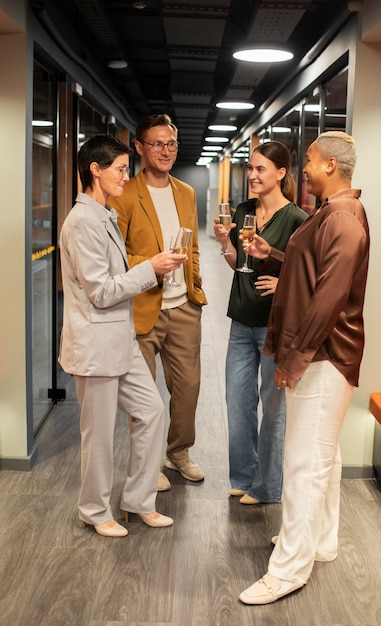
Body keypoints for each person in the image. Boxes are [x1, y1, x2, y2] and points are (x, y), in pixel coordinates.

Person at [238, 130, 370, 603]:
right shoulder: (332, 215)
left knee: (302, 465)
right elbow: (309, 268)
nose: (304, 170)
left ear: (330, 166)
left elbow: (328, 298)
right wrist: (271, 254)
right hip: (323, 354)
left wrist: (292, 361)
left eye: (310, 161)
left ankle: (289, 569)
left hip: (322, 356)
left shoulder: (344, 219)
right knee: (324, 460)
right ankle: (319, 541)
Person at [59, 134, 187, 536]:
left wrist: (151, 267)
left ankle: (138, 500)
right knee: (97, 436)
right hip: (96, 345)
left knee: (151, 411)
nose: (126, 175)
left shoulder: (105, 214)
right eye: (119, 168)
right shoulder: (81, 222)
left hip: (121, 340)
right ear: (94, 170)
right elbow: (100, 292)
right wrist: (152, 268)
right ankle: (95, 512)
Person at [110, 114, 207, 492]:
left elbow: (193, 247)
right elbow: (115, 256)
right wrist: (152, 266)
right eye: (156, 144)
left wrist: (195, 288)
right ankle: (148, 464)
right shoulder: (124, 195)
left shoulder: (186, 192)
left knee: (188, 388)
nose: (165, 151)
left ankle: (178, 453)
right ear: (139, 147)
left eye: (171, 143)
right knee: (144, 393)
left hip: (183, 306)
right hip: (143, 306)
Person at [214, 141, 307, 505]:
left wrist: (283, 282)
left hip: (274, 326)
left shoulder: (298, 219)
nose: (252, 175)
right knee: (237, 402)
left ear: (281, 174)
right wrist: (225, 244)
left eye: (261, 169)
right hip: (241, 319)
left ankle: (267, 487)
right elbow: (238, 264)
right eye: (250, 168)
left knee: (272, 408)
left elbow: (308, 274)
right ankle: (243, 476)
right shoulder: (243, 210)